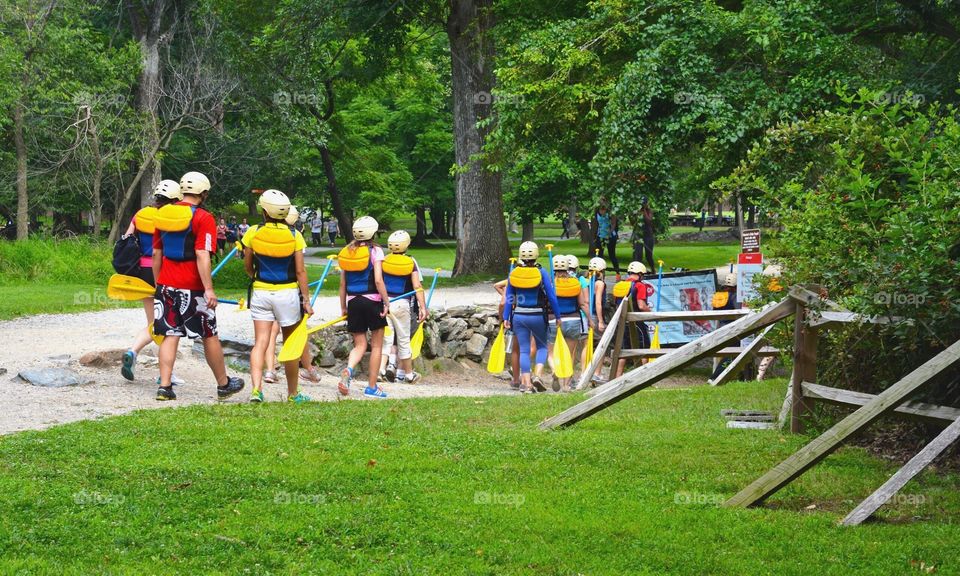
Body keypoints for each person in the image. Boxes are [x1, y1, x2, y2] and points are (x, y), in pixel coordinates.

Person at [152, 171, 244, 401]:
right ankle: (223, 384)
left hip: (166, 284)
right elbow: (202, 253)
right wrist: (209, 289)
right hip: (193, 287)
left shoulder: (164, 214)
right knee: (209, 334)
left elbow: (156, 253)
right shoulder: (204, 218)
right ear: (203, 194)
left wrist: (158, 282)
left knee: (169, 333)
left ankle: (165, 387)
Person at [242, 192, 313, 403]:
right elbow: (300, 272)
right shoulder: (294, 236)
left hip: (261, 292)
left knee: (260, 342)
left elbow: (247, 264)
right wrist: (306, 300)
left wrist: (254, 276)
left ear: (264, 211)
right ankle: (292, 393)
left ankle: (256, 390)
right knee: (290, 342)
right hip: (288, 293)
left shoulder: (253, 232)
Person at [120, 179, 185, 386]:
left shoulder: (140, 214)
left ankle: (134, 352)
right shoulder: (171, 217)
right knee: (168, 324)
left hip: (140, 271)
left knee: (154, 322)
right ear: (175, 200)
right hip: (163, 271)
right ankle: (164, 372)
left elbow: (128, 238)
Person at [337, 215, 390, 398]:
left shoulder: (347, 251)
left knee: (359, 344)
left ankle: (349, 370)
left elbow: (343, 284)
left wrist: (343, 306)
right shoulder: (376, 251)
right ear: (373, 233)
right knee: (376, 346)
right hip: (372, 301)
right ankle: (372, 387)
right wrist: (386, 301)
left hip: (353, 301)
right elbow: (378, 280)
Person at [502, 241, 562, 393]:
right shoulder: (542, 272)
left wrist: (506, 317)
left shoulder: (514, 273)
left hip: (519, 316)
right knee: (542, 346)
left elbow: (509, 297)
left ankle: (527, 384)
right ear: (536, 255)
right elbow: (552, 296)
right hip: (537, 316)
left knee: (524, 350)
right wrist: (557, 315)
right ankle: (538, 374)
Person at [380, 230, 428, 384]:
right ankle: (407, 374)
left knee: (387, 340)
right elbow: (417, 285)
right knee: (403, 340)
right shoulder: (410, 262)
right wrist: (423, 307)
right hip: (402, 304)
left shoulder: (383, 260)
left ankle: (381, 370)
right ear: (406, 245)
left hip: (385, 304)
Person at [548, 255, 591, 392]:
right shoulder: (575, 283)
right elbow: (583, 304)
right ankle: (566, 384)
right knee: (569, 354)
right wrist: (590, 320)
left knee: (551, 353)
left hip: (554, 320)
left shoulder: (549, 283)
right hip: (573, 320)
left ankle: (555, 370)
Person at [611, 261, 654, 378]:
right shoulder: (640, 285)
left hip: (622, 322)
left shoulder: (620, 285)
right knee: (644, 348)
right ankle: (642, 377)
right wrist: (651, 313)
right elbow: (641, 305)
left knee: (623, 350)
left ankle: (617, 377)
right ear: (640, 274)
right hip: (636, 322)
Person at [494, 276, 523, 390]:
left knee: (515, 349)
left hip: (514, 318)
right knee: (527, 347)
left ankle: (516, 375)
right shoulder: (535, 278)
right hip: (533, 315)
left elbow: (502, 303)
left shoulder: (512, 281)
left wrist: (502, 318)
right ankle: (527, 373)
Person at [594, 203, 619, 277]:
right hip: (600, 236)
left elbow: (613, 224)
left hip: (610, 236)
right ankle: (601, 275)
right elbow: (598, 224)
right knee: (599, 256)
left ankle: (617, 273)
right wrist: (596, 236)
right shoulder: (597, 212)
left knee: (612, 255)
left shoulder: (611, 213)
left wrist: (609, 234)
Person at [640, 197, 656, 272]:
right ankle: (639, 271)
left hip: (648, 235)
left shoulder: (650, 211)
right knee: (637, 255)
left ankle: (653, 269)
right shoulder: (638, 211)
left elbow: (649, 221)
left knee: (648, 255)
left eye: (644, 203)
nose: (643, 204)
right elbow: (633, 223)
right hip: (639, 235)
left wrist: (644, 211)